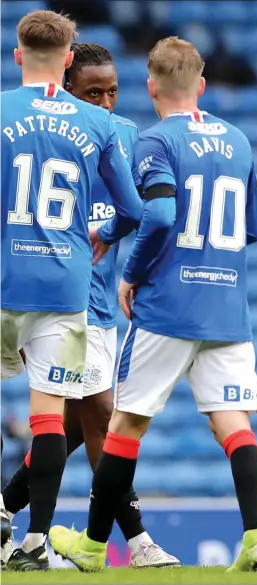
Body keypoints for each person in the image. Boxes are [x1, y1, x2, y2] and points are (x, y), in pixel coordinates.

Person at [49, 36, 257, 572]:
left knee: (125, 427)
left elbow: (156, 217)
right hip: (227, 309)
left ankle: (90, 545)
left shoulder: (153, 142)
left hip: (169, 307)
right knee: (234, 425)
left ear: (151, 86)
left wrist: (130, 276)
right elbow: (254, 228)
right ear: (200, 85)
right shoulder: (240, 141)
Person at [2, 42, 179, 569]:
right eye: (92, 92)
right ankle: (138, 542)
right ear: (66, 91)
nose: (104, 103)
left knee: (76, 428)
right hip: (64, 304)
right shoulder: (56, 135)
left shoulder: (126, 139)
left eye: (112, 92)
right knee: (101, 419)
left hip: (101, 310)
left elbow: (154, 212)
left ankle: (6, 505)